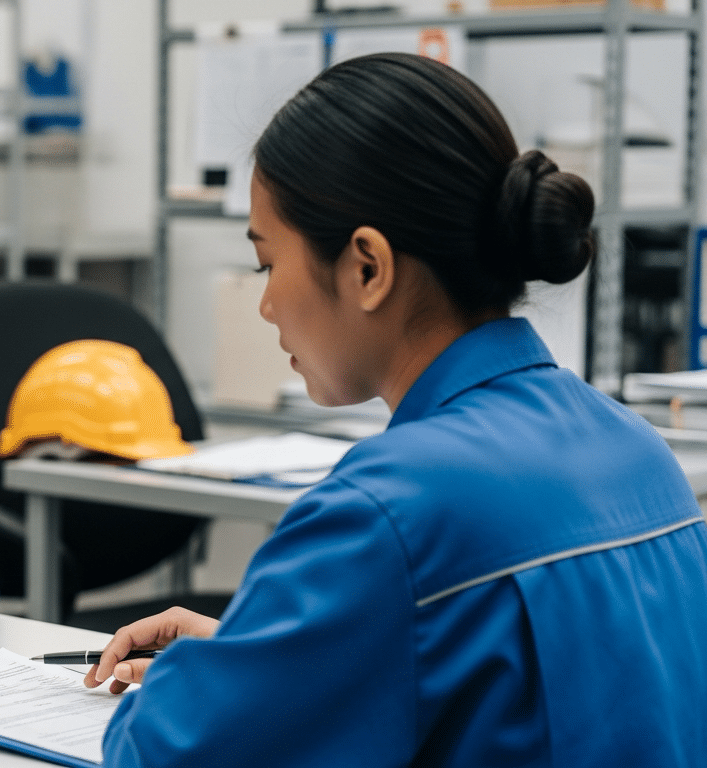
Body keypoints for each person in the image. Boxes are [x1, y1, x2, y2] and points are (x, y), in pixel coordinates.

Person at [87, 52, 707, 766]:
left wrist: (196, 688)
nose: (264, 303)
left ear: (367, 268)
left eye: (266, 262)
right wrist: (257, 660)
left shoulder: (385, 513)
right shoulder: (640, 454)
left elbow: (162, 755)